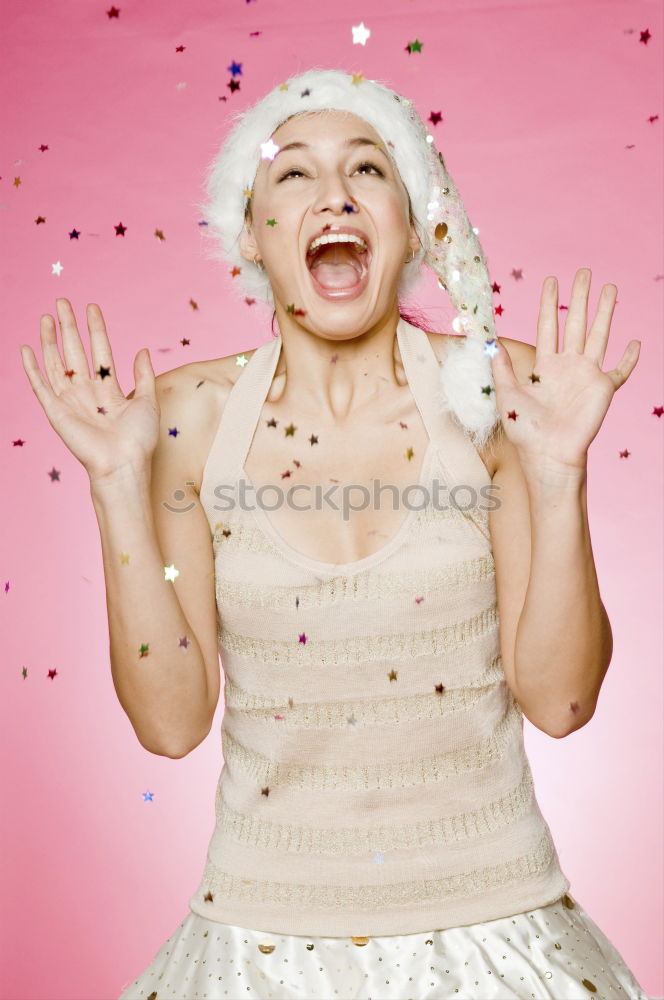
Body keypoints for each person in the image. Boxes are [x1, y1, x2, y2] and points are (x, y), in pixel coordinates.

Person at [20, 68, 649, 1000]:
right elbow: (169, 724)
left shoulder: (497, 396)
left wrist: (559, 481)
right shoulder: (186, 418)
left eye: (368, 168)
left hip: (500, 938)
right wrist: (117, 486)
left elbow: (560, 703)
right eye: (294, 175)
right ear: (251, 234)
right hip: (257, 948)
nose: (335, 195)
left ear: (413, 224)